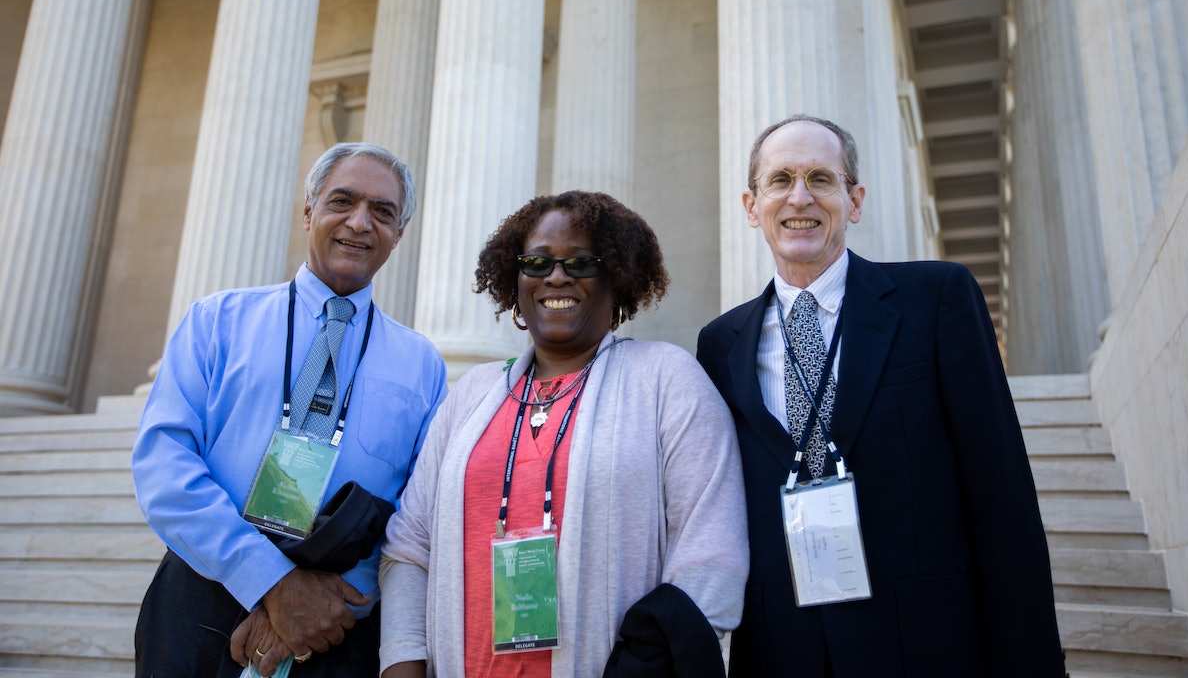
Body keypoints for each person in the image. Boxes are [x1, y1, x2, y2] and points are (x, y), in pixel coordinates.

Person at [696, 114, 1066, 677]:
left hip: (925, 645)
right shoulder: (720, 344)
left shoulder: (936, 300)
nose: (801, 196)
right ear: (752, 206)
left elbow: (1002, 499)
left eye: (821, 178)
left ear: (855, 200)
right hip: (781, 650)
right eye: (780, 180)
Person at [378, 190, 748, 678]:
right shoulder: (471, 395)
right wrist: (403, 664)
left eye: (581, 262)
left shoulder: (666, 379)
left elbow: (711, 553)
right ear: (515, 281)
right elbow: (409, 548)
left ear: (617, 279)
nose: (557, 276)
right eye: (537, 262)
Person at [131, 143, 447, 678]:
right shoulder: (217, 321)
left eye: (383, 212)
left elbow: (418, 510)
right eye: (341, 201)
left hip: (336, 618)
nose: (359, 223)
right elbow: (165, 465)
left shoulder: (423, 366)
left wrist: (328, 600)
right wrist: (271, 581)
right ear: (308, 211)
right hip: (200, 596)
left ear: (400, 232)